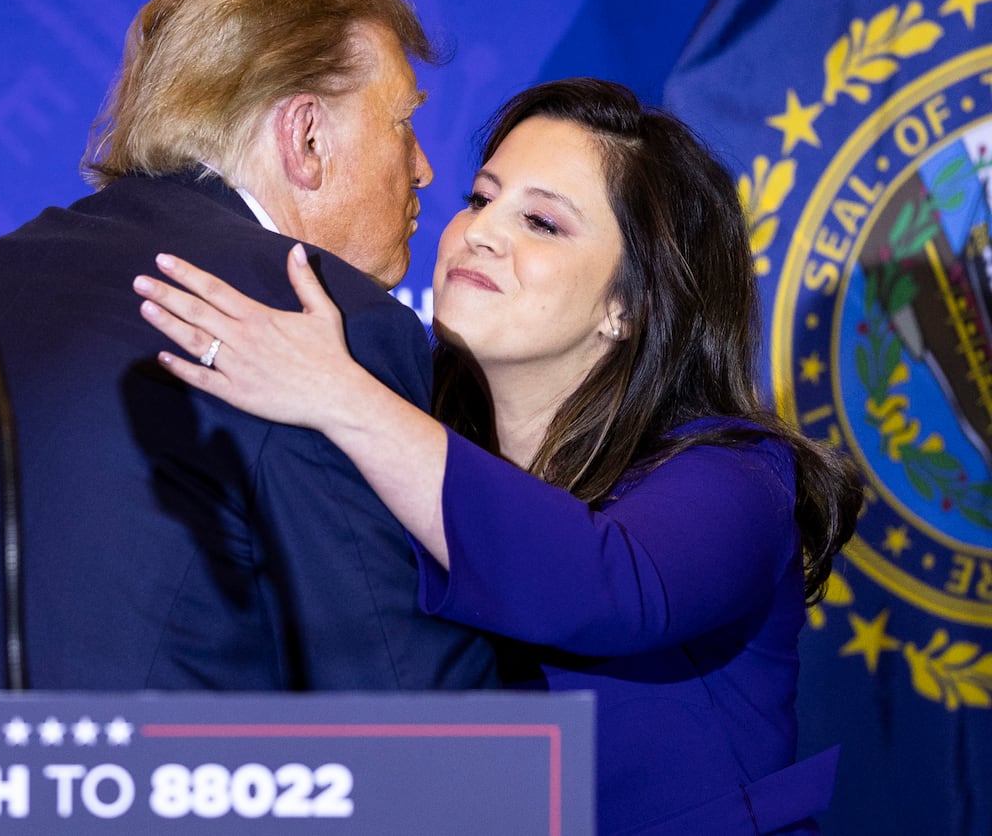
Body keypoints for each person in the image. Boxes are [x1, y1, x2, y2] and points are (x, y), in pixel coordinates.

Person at [133, 77, 862, 834]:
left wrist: (339, 394)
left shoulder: (739, 476)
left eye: (542, 222)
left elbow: (610, 585)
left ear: (629, 305)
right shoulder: (404, 443)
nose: (481, 231)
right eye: (482, 199)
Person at [0, 0, 496, 692]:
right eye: (403, 122)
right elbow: (396, 693)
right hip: (130, 795)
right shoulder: (320, 314)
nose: (421, 167)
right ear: (307, 139)